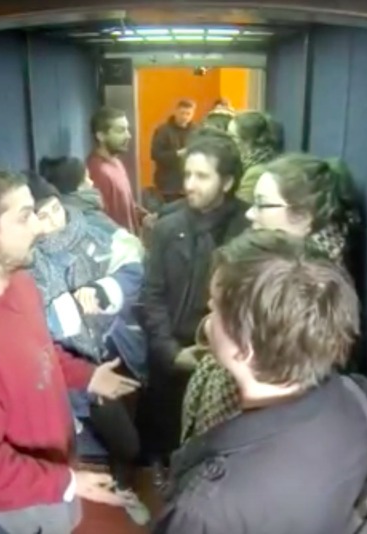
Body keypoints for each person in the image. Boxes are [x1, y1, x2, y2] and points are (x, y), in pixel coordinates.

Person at [0, 169, 141, 534]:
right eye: (24, 217)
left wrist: (88, 377)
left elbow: (40, 354)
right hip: (25, 497)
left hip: (59, 469)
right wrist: (68, 483)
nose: (38, 226)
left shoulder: (21, 284)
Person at [153, 229, 367, 534]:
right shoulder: (355, 398)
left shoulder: (204, 513)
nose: (207, 321)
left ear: (246, 348)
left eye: (214, 308)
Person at [181, 153, 361, 442]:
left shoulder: (312, 292)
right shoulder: (275, 268)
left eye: (262, 204)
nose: (250, 214)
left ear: (303, 217)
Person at [26, 176, 151, 525]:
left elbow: (135, 264)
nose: (54, 221)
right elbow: (26, 324)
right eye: (41, 216)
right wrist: (70, 310)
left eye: (55, 209)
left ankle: (122, 488)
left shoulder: (92, 226)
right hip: (53, 370)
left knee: (126, 441)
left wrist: (105, 290)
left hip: (102, 355)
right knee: (66, 446)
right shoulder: (23, 257)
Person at [139, 133, 249, 481]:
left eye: (202, 176)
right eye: (187, 174)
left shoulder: (247, 231)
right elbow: (152, 295)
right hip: (170, 351)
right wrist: (170, 352)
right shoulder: (167, 227)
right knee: (165, 430)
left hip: (226, 357)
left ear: (227, 182)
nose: (189, 184)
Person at [87, 107, 148, 234]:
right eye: (121, 130)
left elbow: (125, 204)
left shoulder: (116, 163)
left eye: (127, 129)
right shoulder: (97, 172)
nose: (128, 135)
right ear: (101, 136)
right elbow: (101, 220)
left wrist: (144, 217)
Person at [228, 111, 282, 203]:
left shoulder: (255, 172)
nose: (228, 140)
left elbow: (242, 206)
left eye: (232, 136)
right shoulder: (267, 159)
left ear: (248, 140)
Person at [151, 99, 197, 202]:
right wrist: (177, 154)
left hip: (190, 183)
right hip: (168, 185)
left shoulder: (196, 131)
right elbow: (155, 154)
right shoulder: (163, 131)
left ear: (193, 114)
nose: (185, 117)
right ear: (175, 111)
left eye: (188, 114)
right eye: (182, 113)